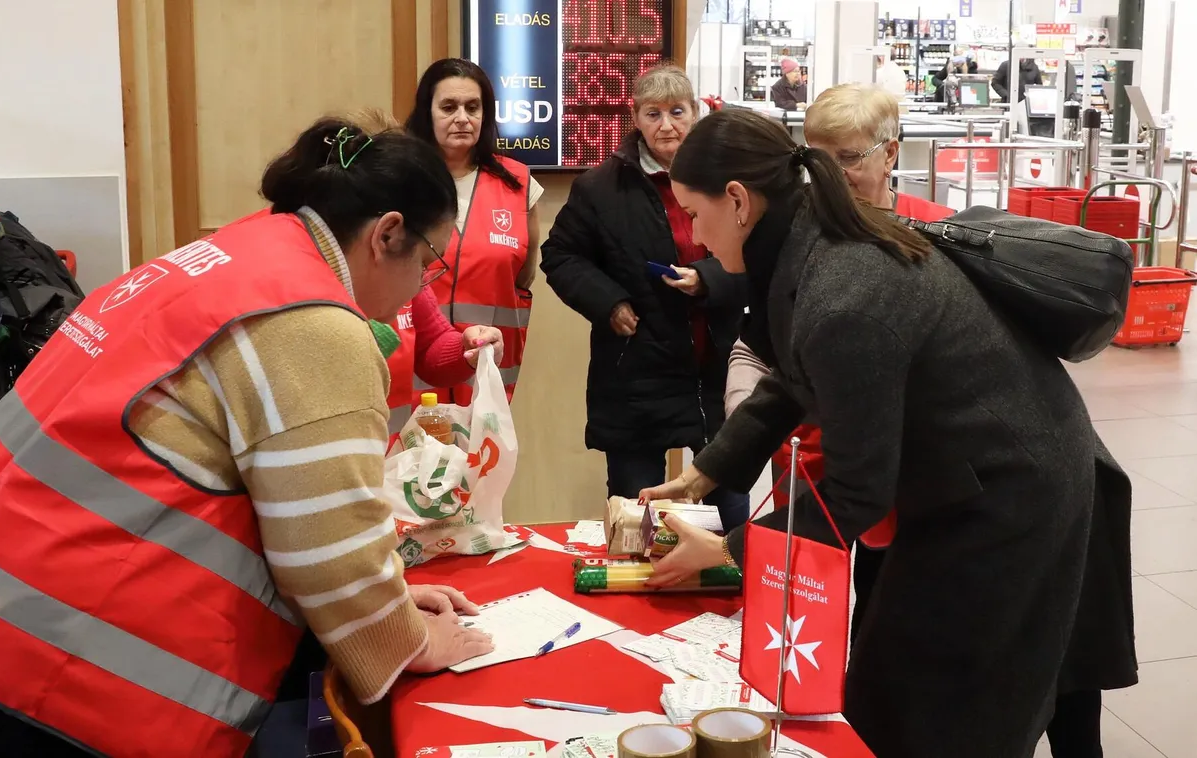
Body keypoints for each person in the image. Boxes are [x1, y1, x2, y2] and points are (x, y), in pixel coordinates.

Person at [0, 116, 496, 758]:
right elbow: (324, 548)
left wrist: (383, 598)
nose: (424, 287)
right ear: (387, 233)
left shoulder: (239, 252)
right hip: (26, 637)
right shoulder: (314, 323)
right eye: (429, 260)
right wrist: (406, 640)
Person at [639, 108, 1137, 758]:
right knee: (889, 686)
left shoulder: (842, 292)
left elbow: (854, 494)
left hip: (1008, 497)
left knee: (944, 707)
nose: (693, 234)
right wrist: (705, 472)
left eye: (693, 213)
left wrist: (730, 547)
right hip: (974, 474)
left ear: (736, 201)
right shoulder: (805, 242)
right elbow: (790, 378)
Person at [725, 82, 954, 639]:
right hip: (807, 453)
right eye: (818, 162)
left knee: (884, 609)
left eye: (849, 159)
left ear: (891, 153)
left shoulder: (936, 230)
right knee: (804, 612)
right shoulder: (797, 234)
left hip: (900, 466)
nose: (833, 177)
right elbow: (759, 341)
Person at [540, 64, 750, 530]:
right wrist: (609, 302)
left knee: (732, 516)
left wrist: (706, 279)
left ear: (696, 114)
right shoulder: (599, 187)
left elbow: (758, 257)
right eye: (653, 114)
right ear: (635, 118)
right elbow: (560, 255)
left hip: (719, 370)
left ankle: (735, 601)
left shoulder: (728, 181)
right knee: (637, 520)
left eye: (678, 111)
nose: (666, 125)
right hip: (635, 373)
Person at [343, 108, 506, 438]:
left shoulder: (397, 261)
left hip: (390, 464)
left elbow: (431, 346)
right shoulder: (318, 277)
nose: (421, 278)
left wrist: (467, 348)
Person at [406, 58, 544, 404]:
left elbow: (523, 276)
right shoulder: (398, 178)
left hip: (485, 371)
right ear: (428, 112)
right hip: (413, 368)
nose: (462, 118)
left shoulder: (519, 183)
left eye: (473, 107)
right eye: (449, 107)